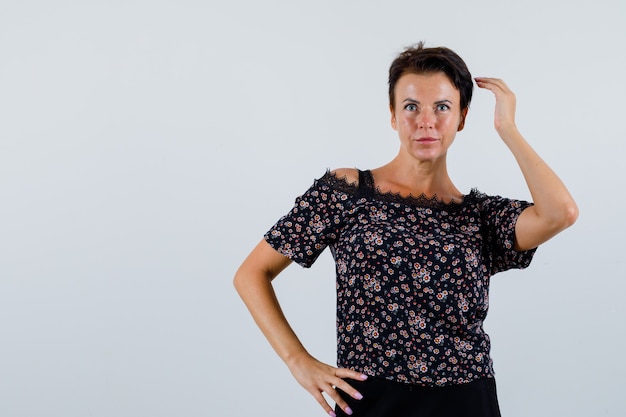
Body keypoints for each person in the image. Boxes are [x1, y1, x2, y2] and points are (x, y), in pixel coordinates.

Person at [233, 42, 578, 417]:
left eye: (442, 107)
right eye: (411, 107)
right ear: (394, 116)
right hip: (372, 399)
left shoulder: (481, 217)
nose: (426, 121)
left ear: (462, 117)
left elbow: (561, 213)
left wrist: (507, 128)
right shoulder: (347, 191)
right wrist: (297, 360)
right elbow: (252, 273)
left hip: (465, 401)